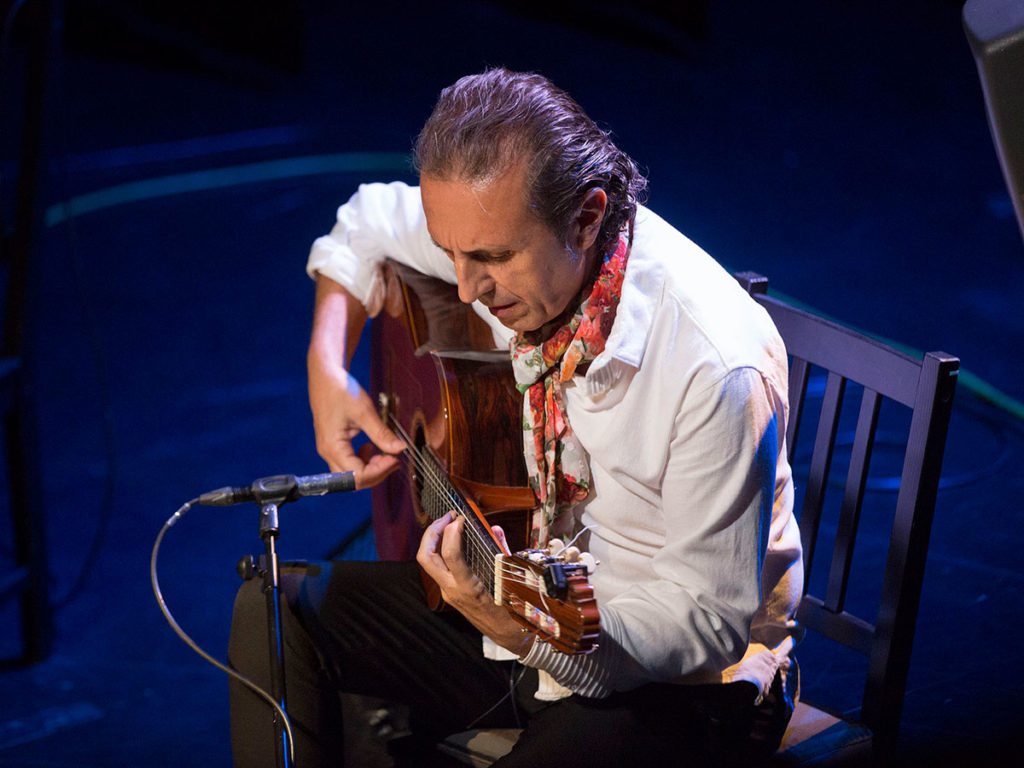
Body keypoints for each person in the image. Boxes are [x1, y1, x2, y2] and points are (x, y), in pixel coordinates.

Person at [228, 68, 803, 767]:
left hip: (675, 685)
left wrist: (519, 628)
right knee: (276, 609)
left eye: (492, 258)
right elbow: (369, 221)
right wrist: (326, 363)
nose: (468, 287)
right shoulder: (497, 239)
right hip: (520, 609)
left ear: (587, 218)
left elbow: (703, 622)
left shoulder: (713, 369)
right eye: (450, 254)